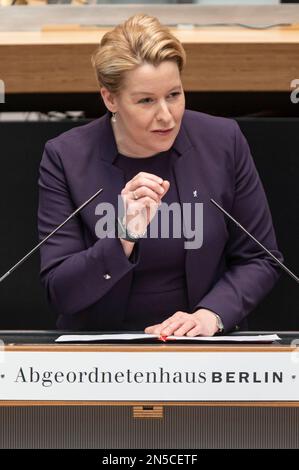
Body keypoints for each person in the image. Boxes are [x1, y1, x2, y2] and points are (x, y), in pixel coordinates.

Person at [38, 13, 283, 336]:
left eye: (174, 95)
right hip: (102, 354)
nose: (166, 116)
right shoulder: (66, 157)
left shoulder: (223, 141)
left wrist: (211, 315)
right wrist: (122, 235)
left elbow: (260, 257)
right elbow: (62, 291)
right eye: (146, 101)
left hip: (203, 349)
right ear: (110, 99)